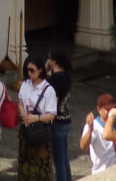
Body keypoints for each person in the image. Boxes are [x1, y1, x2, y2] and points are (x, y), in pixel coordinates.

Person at [18, 54, 57, 180]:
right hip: (26, 129)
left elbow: (52, 115)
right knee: (25, 164)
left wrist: (36, 118)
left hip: (40, 131)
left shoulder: (48, 90)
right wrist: (24, 115)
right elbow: (20, 103)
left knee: (41, 168)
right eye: (27, 70)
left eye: (32, 70)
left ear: (40, 70)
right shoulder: (25, 84)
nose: (29, 73)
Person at [79, 93, 116, 174]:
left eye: (113, 109)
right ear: (99, 109)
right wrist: (90, 129)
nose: (111, 113)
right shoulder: (94, 126)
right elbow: (83, 146)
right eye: (108, 110)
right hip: (102, 173)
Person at [46, 49, 72, 181]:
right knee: (64, 157)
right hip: (66, 120)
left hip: (58, 122)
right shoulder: (65, 76)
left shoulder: (55, 79)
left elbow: (53, 102)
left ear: (53, 61)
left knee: (58, 161)